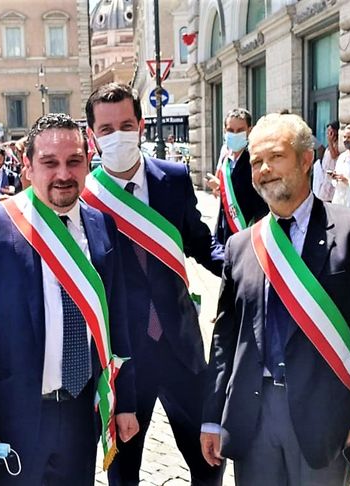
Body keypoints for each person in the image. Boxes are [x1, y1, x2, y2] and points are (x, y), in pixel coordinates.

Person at [200, 113, 350, 485]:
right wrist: (211, 416)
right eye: (256, 161)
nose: (264, 169)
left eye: (276, 157)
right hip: (254, 417)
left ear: (306, 160)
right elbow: (224, 338)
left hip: (325, 420)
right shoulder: (241, 246)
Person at [0, 113, 138, 485]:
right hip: (12, 422)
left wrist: (125, 400)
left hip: (80, 415)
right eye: (49, 162)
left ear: (88, 162)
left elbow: (117, 319)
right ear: (27, 165)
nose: (63, 174)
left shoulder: (102, 226)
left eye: (74, 161)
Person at [82, 82, 224, 486]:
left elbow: (201, 243)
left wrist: (248, 265)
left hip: (181, 346)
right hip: (124, 359)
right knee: (123, 472)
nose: (118, 135)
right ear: (92, 136)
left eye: (126, 125)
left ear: (141, 125)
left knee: (209, 462)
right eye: (107, 129)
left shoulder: (174, 179)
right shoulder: (87, 197)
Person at [205, 108, 270, 244]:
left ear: (249, 131)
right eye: (230, 130)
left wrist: (222, 186)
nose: (235, 134)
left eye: (240, 130)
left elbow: (261, 200)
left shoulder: (255, 160)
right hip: (226, 233)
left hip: (248, 232)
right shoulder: (226, 160)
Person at [313, 121, 341, 202]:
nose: (328, 134)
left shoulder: (337, 144)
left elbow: (334, 156)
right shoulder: (329, 146)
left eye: (330, 131)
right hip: (325, 178)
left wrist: (330, 141)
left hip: (332, 179)